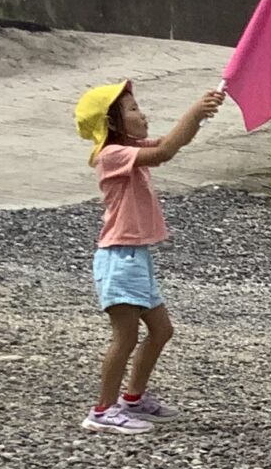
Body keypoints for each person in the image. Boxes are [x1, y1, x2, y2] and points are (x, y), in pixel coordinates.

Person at [75, 77, 224, 437]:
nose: (143, 115)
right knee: (124, 336)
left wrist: (200, 117)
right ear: (111, 123)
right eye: (133, 109)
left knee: (161, 330)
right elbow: (165, 152)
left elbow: (173, 143)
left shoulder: (132, 150)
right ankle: (102, 410)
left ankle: (133, 398)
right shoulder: (111, 154)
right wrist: (193, 110)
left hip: (134, 256)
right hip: (118, 258)